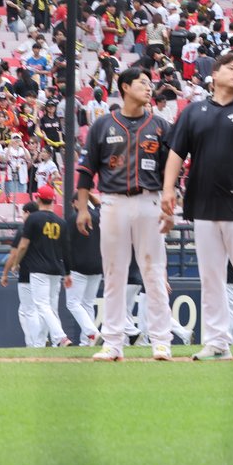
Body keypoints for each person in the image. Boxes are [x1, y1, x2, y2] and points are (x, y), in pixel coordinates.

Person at [163, 53, 233, 361]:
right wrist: (168, 190)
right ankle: (217, 340)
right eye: (231, 68)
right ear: (213, 75)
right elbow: (176, 153)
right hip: (202, 204)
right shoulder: (193, 112)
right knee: (211, 276)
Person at [75, 67, 176, 360]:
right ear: (125, 88)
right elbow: (85, 170)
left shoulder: (160, 126)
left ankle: (161, 340)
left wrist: (171, 206)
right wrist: (82, 208)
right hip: (112, 202)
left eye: (150, 83)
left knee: (154, 272)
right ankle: (113, 342)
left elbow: (171, 171)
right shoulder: (103, 125)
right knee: (114, 274)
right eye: (142, 83)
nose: (149, 88)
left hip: (150, 200)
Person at [0, 186, 70, 348]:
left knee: (41, 306)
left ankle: (60, 337)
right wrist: (67, 273)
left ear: (38, 199)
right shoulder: (61, 221)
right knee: (50, 307)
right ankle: (40, 343)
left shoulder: (33, 218)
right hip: (56, 269)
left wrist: (16, 263)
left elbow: (23, 246)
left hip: (39, 269)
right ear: (53, 200)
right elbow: (66, 249)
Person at [63, 195, 102, 346]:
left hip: (78, 267)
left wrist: (66, 271)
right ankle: (88, 342)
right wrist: (89, 193)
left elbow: (65, 246)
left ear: (74, 203)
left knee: (73, 303)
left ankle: (92, 333)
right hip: (97, 265)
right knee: (87, 304)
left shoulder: (73, 219)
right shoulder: (98, 216)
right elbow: (99, 204)